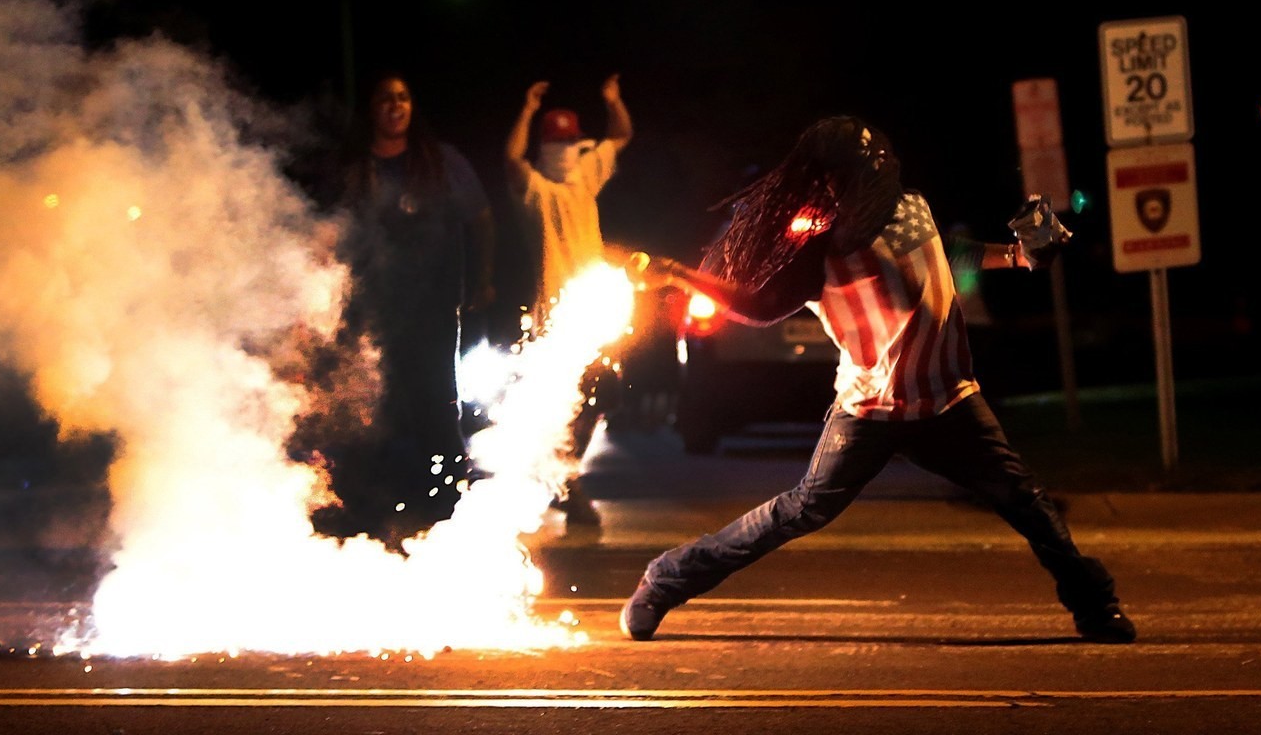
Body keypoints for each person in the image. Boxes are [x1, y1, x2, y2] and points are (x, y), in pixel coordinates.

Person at [618, 114, 1136, 644]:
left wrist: (1017, 255)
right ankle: (666, 579)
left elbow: (943, 251)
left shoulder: (910, 205)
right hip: (870, 410)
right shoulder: (818, 246)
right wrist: (678, 274)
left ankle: (1096, 607)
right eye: (859, 171)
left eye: (876, 165)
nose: (875, 175)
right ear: (829, 181)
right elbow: (760, 307)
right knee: (800, 511)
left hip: (948, 401)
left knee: (1025, 501)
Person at [318, 71, 496, 547]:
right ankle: (367, 508)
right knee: (370, 406)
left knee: (436, 404)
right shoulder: (355, 168)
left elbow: (481, 220)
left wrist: (481, 279)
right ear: (371, 109)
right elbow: (331, 233)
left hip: (432, 307)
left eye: (403, 97)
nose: (395, 106)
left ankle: (445, 505)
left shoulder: (441, 163)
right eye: (385, 99)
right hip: (369, 309)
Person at [504, 73, 634, 527]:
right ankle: (566, 483)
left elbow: (621, 135)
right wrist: (527, 109)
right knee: (564, 401)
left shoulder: (585, 180)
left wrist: (612, 100)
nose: (565, 151)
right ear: (546, 148)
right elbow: (511, 158)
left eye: (570, 142)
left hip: (594, 313)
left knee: (601, 399)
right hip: (555, 320)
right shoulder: (538, 192)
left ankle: (563, 475)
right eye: (556, 143)